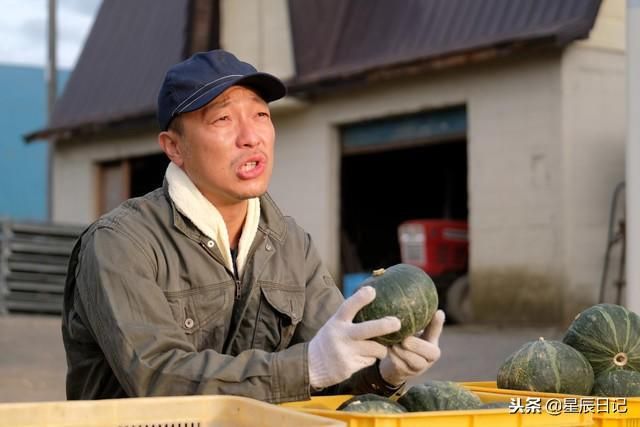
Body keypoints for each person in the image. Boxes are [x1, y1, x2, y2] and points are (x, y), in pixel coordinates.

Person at [61, 49, 445, 402]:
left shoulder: (290, 243)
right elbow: (160, 378)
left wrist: (383, 372)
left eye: (261, 115)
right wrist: (306, 366)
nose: (251, 137)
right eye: (223, 119)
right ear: (174, 147)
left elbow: (335, 370)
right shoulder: (120, 243)